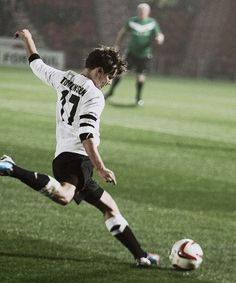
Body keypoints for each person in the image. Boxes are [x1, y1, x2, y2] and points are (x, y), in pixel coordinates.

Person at [0, 29, 160, 266]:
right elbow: (86, 135)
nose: (108, 82)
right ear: (98, 71)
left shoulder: (64, 77)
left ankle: (141, 256)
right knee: (65, 195)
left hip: (62, 157)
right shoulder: (94, 96)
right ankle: (12, 167)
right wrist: (102, 168)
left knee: (109, 207)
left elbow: (36, 64)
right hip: (78, 159)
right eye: (109, 77)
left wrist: (28, 39)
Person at [105, 2, 164, 106]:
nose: (142, 13)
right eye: (140, 11)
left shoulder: (152, 23)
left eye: (144, 11)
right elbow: (122, 32)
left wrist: (160, 39)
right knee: (120, 72)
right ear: (138, 11)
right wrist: (117, 44)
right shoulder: (132, 21)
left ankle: (138, 97)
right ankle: (111, 92)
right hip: (131, 53)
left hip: (144, 54)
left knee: (140, 76)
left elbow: (159, 34)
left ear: (148, 12)